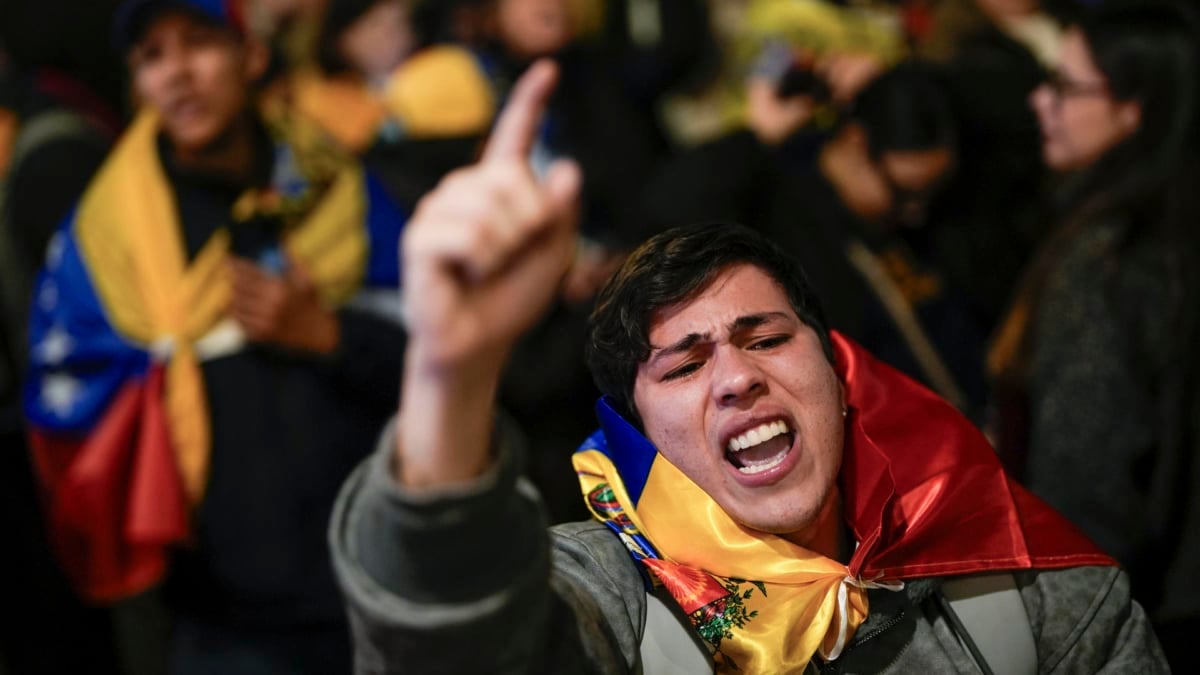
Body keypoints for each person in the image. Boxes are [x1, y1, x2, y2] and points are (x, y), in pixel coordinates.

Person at [330, 59, 1168, 673]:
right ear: (639, 429)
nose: (737, 376)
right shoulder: (607, 607)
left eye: (766, 338)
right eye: (684, 365)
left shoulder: (1033, 595)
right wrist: (451, 373)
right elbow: (452, 644)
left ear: (840, 373)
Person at [24, 0, 408, 672]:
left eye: (198, 44)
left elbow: (441, 361)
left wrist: (328, 333)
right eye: (151, 56)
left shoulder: (334, 187)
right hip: (219, 622)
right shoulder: (109, 239)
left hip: (376, 582)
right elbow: (67, 411)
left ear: (251, 57)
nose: (177, 75)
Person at [987, 1, 1200, 670]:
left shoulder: (1107, 259)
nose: (1039, 99)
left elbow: (1086, 478)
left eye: (1064, 86)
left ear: (1133, 109)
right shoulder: (1170, 227)